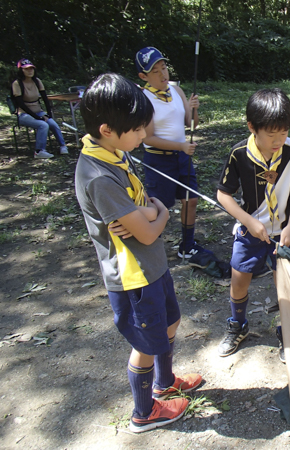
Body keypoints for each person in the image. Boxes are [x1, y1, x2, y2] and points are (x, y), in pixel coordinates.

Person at [75, 73, 203, 433]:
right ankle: (144, 412)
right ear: (107, 128)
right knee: (146, 342)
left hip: (153, 264)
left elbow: (146, 206)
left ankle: (165, 383)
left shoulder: (114, 152)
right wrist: (159, 213)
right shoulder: (98, 175)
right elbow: (147, 229)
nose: (144, 136)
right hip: (134, 274)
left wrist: (151, 211)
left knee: (170, 322)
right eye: (137, 130)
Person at [215, 88, 290, 357]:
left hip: (284, 233)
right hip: (250, 232)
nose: (279, 140)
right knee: (239, 279)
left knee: (286, 285)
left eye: (284, 132)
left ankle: (287, 331)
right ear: (252, 127)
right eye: (271, 134)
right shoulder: (239, 155)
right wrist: (247, 220)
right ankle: (238, 324)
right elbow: (223, 194)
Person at [135, 47, 229, 277]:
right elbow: (147, 138)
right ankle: (151, 251)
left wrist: (194, 110)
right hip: (158, 160)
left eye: (163, 68)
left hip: (182, 157)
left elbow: (191, 124)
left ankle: (187, 246)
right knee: (160, 207)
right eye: (155, 71)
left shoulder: (176, 90)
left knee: (191, 199)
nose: (162, 74)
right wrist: (180, 146)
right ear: (143, 76)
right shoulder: (144, 99)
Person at [11, 59, 69, 159]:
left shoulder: (37, 81)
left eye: (31, 69)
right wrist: (38, 118)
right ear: (21, 71)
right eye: (26, 69)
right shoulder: (17, 83)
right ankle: (39, 151)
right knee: (43, 125)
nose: (30, 71)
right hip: (24, 114)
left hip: (38, 112)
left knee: (52, 123)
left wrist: (48, 115)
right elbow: (21, 104)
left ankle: (63, 146)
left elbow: (45, 99)